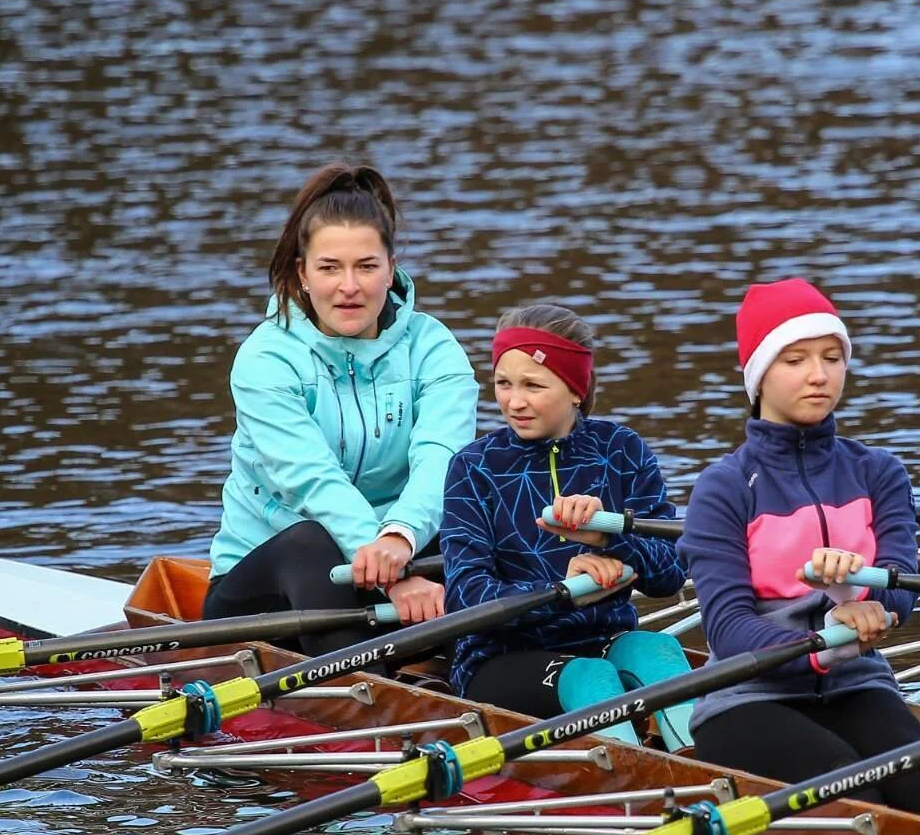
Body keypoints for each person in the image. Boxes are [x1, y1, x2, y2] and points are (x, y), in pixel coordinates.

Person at [676, 278, 920, 816]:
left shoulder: (878, 472)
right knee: (861, 803)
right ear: (758, 376)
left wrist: (858, 596)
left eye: (832, 357)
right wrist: (832, 642)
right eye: (795, 360)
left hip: (859, 684)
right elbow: (728, 630)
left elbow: (900, 589)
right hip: (747, 697)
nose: (819, 375)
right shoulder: (723, 487)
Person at [203, 163, 476, 655]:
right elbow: (311, 480)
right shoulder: (266, 359)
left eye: (366, 267)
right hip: (271, 585)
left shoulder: (434, 347)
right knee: (311, 542)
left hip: (402, 555)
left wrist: (400, 539)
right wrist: (391, 575)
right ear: (302, 274)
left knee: (480, 521)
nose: (349, 286)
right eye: (329, 268)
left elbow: (443, 460)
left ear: (391, 270)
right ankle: (369, 703)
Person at [439, 304, 693, 746]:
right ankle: (634, 788)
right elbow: (464, 596)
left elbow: (670, 572)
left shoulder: (621, 450)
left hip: (605, 636)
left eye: (533, 385)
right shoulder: (474, 467)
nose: (514, 402)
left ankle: (707, 770)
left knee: (659, 649)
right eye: (503, 383)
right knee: (590, 676)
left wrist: (611, 541)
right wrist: (562, 589)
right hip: (500, 656)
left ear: (577, 389)